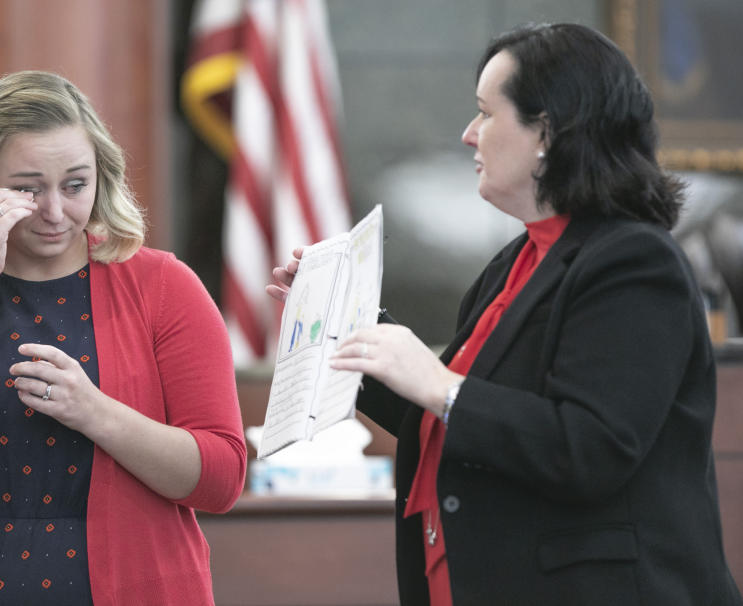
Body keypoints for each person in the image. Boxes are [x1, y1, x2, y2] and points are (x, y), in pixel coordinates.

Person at [268, 23, 742, 606]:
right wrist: (343, 332)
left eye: (486, 114)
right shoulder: (515, 262)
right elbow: (454, 422)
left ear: (547, 131)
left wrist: (439, 383)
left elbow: (590, 447)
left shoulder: (635, 261)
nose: (469, 135)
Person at [0, 70, 246, 606]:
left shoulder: (163, 285)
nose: (53, 211)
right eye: (26, 188)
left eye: (74, 185)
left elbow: (221, 478)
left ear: (99, 177)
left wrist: (94, 412)